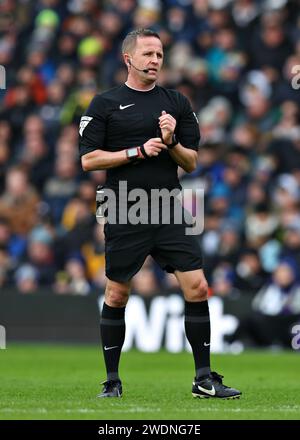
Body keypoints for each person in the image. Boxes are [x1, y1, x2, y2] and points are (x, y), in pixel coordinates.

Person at [79, 28, 241, 399]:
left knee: (198, 286)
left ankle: (204, 379)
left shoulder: (177, 102)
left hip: (168, 206)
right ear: (128, 59)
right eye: (148, 54)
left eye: (160, 54)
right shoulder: (104, 104)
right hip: (122, 206)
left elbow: (193, 162)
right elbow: (88, 160)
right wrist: (136, 152)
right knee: (118, 293)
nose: (155, 60)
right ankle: (112, 382)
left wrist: (171, 143)